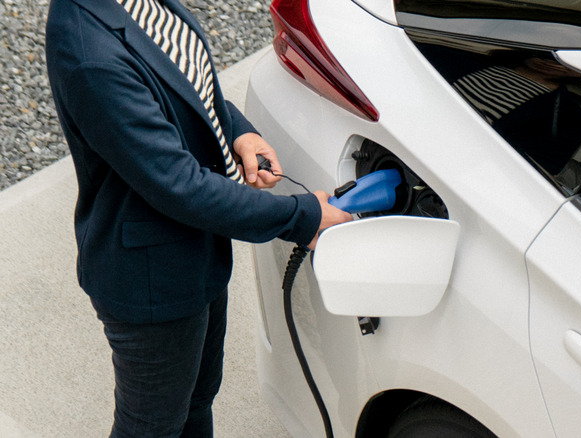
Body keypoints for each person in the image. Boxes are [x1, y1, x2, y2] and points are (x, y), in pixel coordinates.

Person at [44, 0, 352, 435]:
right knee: (151, 427)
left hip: (197, 253)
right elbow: (179, 185)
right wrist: (302, 216)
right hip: (153, 283)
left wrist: (237, 130)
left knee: (197, 400)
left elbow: (183, 84)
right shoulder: (89, 52)